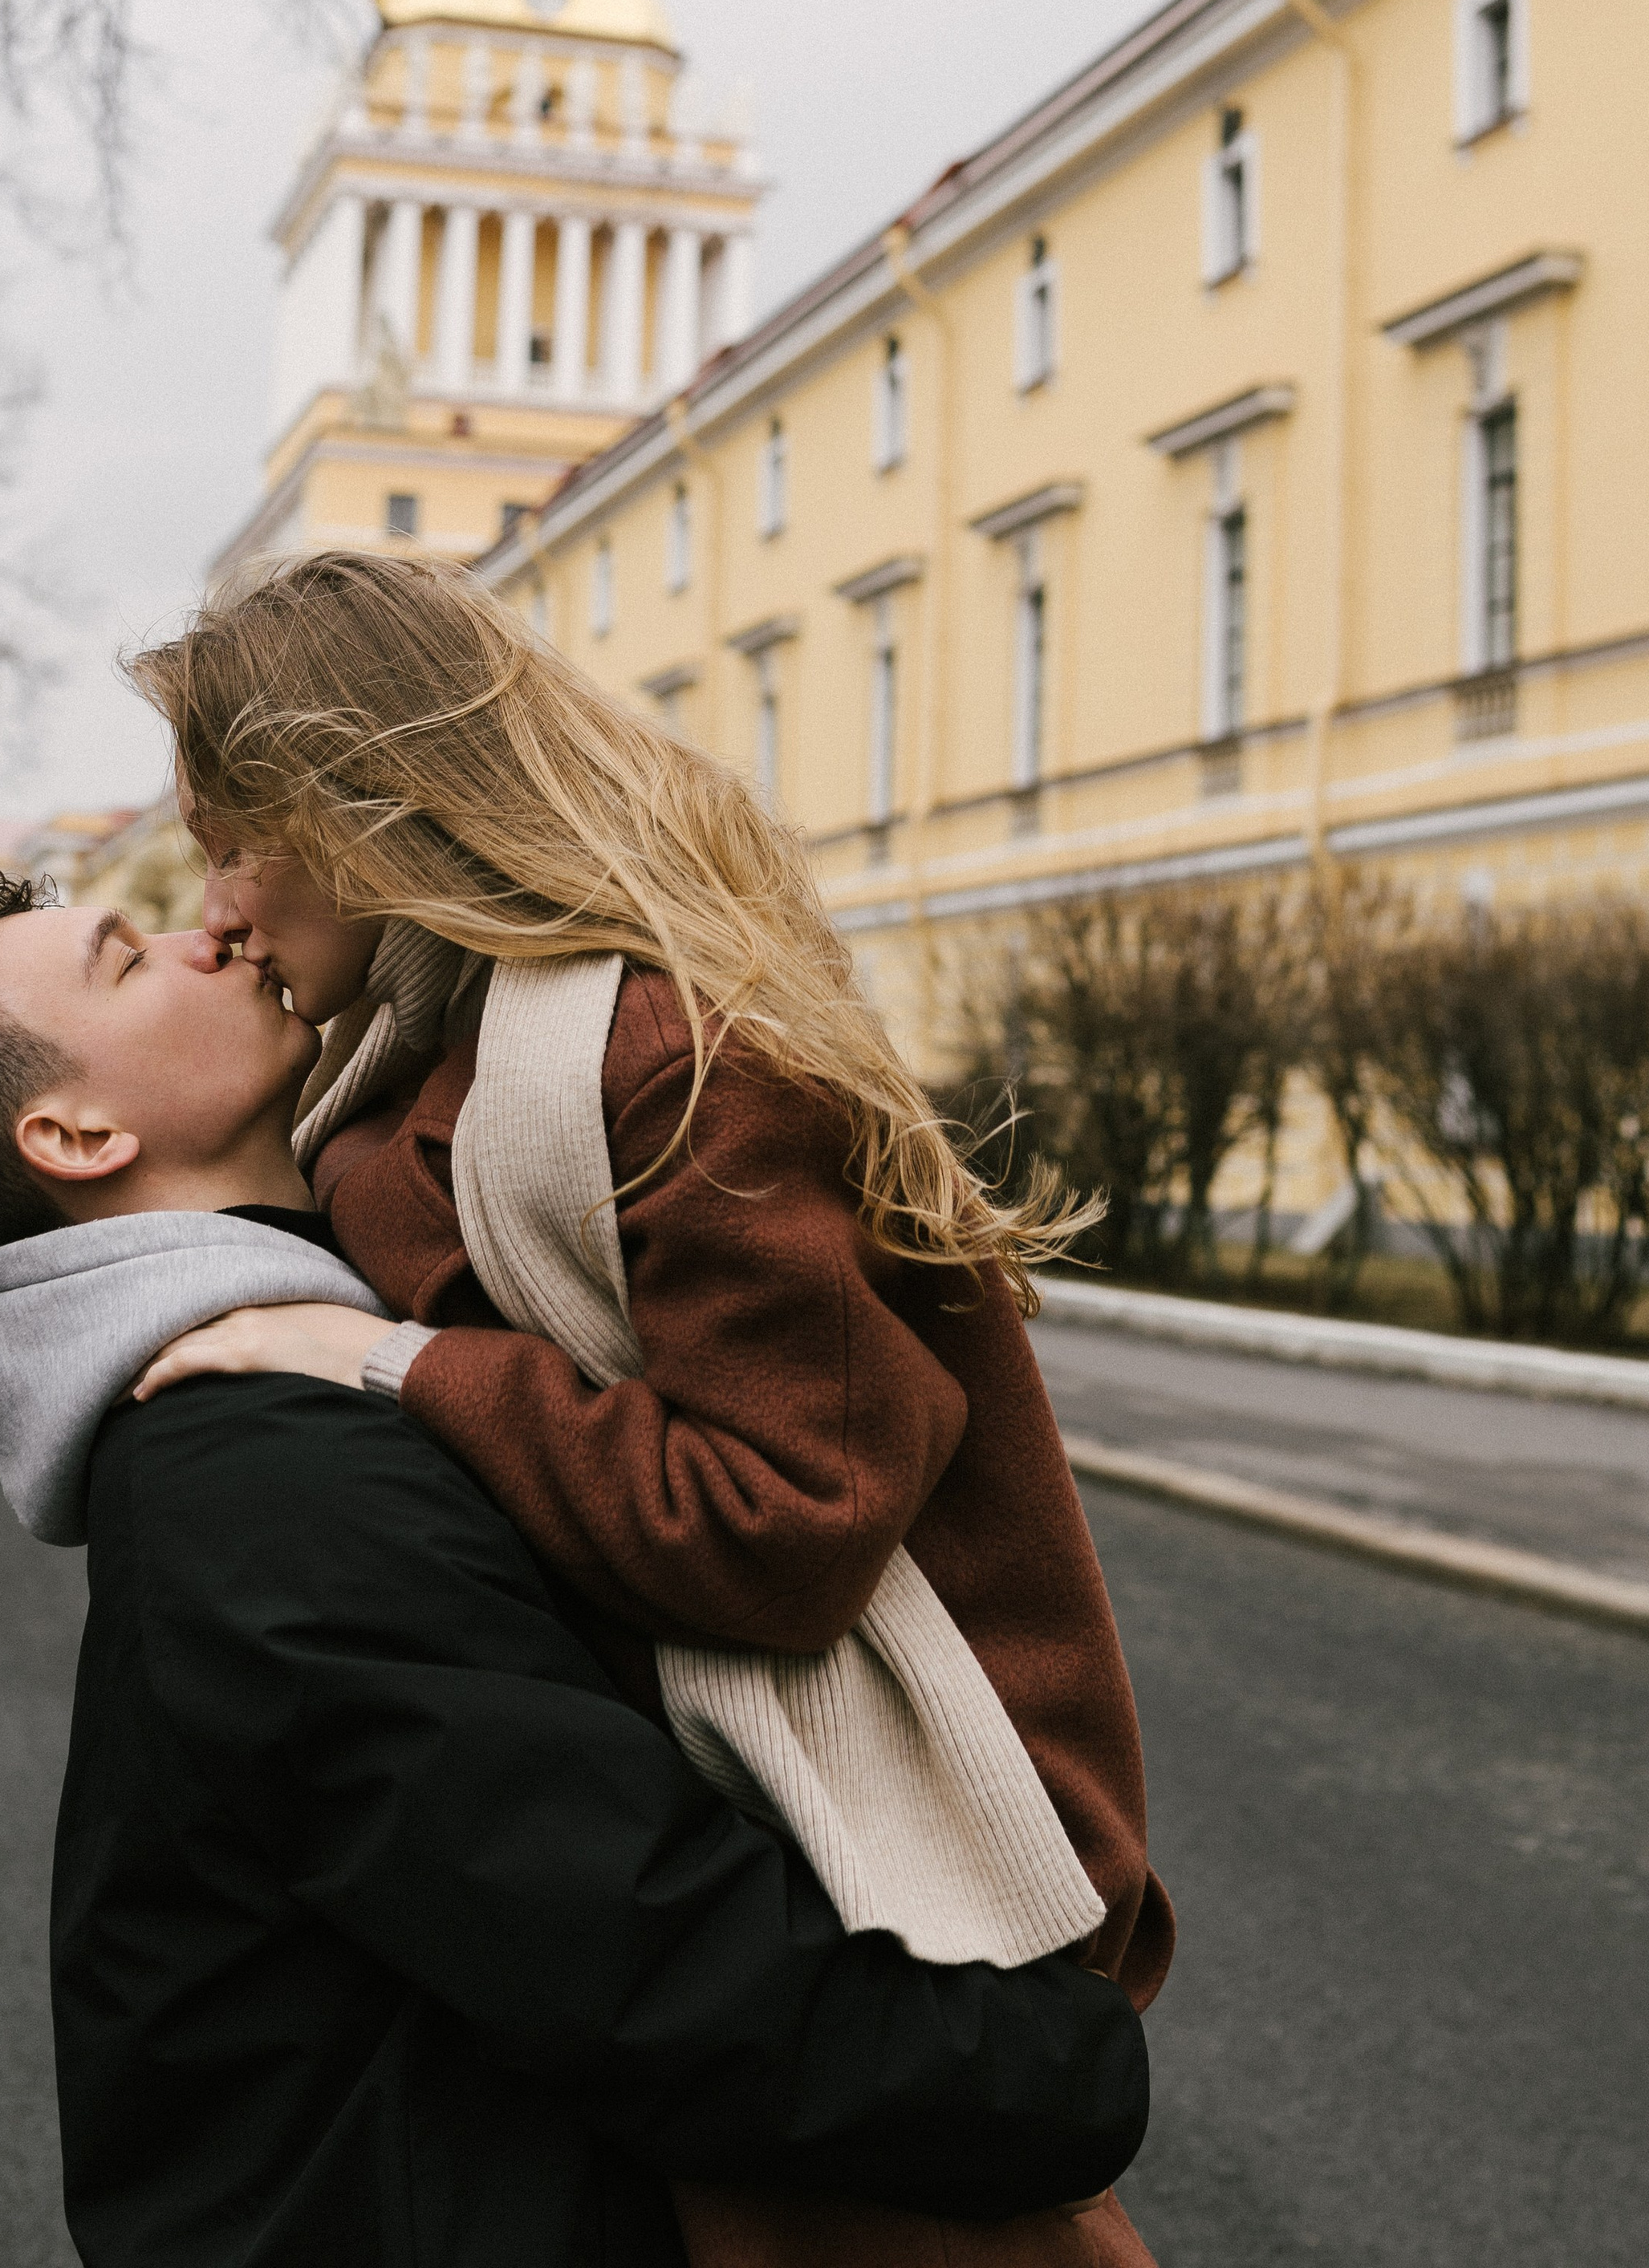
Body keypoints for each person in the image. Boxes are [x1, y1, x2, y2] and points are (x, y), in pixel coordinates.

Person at [0, 868, 1152, 2268]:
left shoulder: (276, 1383)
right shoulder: (259, 1471)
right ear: (77, 1134)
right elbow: (628, 1942)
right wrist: (1051, 2072)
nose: (204, 930)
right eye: (128, 961)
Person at [126, 550, 1173, 2268]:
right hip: (691, 1881)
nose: (221, 906)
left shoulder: (673, 1056)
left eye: (234, 840)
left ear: (361, 806)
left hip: (886, 1875)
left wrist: (391, 1367)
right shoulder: (409, 1067)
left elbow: (785, 1525)